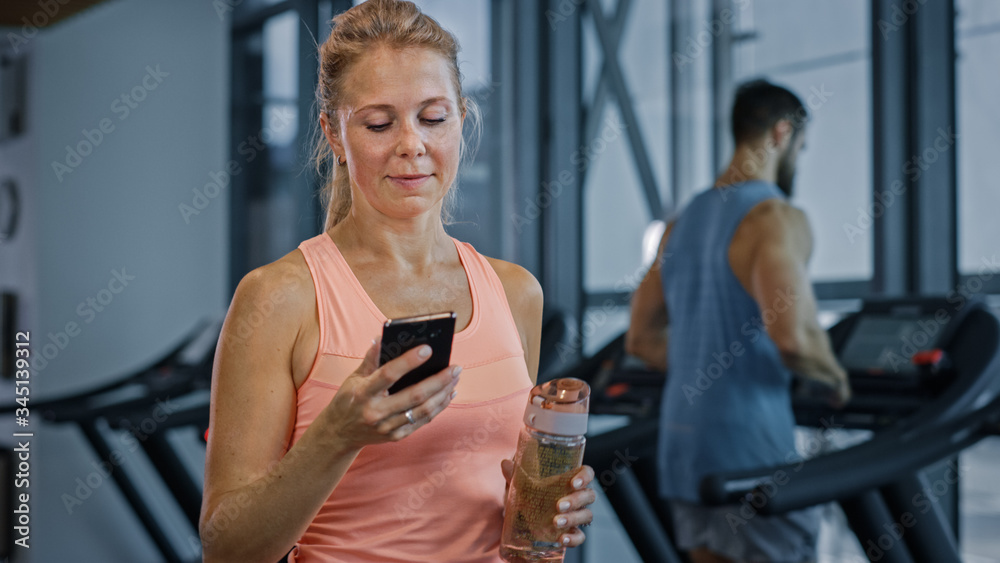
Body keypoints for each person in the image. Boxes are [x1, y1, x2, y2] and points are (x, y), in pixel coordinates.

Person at [199, 2, 595, 561]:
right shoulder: (280, 297)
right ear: (334, 135)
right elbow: (226, 549)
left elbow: (496, 512)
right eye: (379, 124)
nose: (411, 144)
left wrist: (541, 509)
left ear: (462, 118)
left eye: (433, 118)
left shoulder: (515, 292)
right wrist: (336, 436)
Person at [625, 79, 852, 563]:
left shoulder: (681, 223)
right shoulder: (776, 216)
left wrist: (704, 363)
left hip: (686, 453)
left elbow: (641, 339)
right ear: (782, 133)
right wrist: (835, 378)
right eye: (801, 148)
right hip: (753, 455)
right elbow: (794, 338)